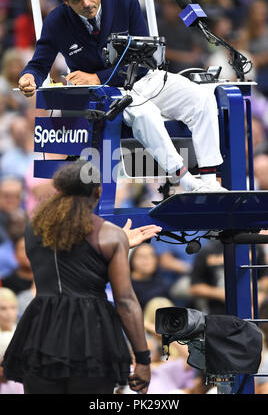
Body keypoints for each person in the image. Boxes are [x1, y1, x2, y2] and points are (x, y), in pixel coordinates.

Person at [18, 0, 225, 193]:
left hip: (145, 78)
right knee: (145, 113)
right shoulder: (56, 21)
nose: (86, 3)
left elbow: (145, 60)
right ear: (64, 0)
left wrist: (97, 76)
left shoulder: (125, 1)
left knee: (202, 98)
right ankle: (186, 180)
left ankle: (209, 182)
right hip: (108, 94)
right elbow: (38, 64)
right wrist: (28, 78)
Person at [2, 160, 161, 394]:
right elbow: (125, 301)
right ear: (97, 192)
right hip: (91, 335)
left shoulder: (33, 228)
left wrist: (121, 242)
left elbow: (68, 251)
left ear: (61, 190)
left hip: (41, 331)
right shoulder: (110, 236)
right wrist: (143, 360)